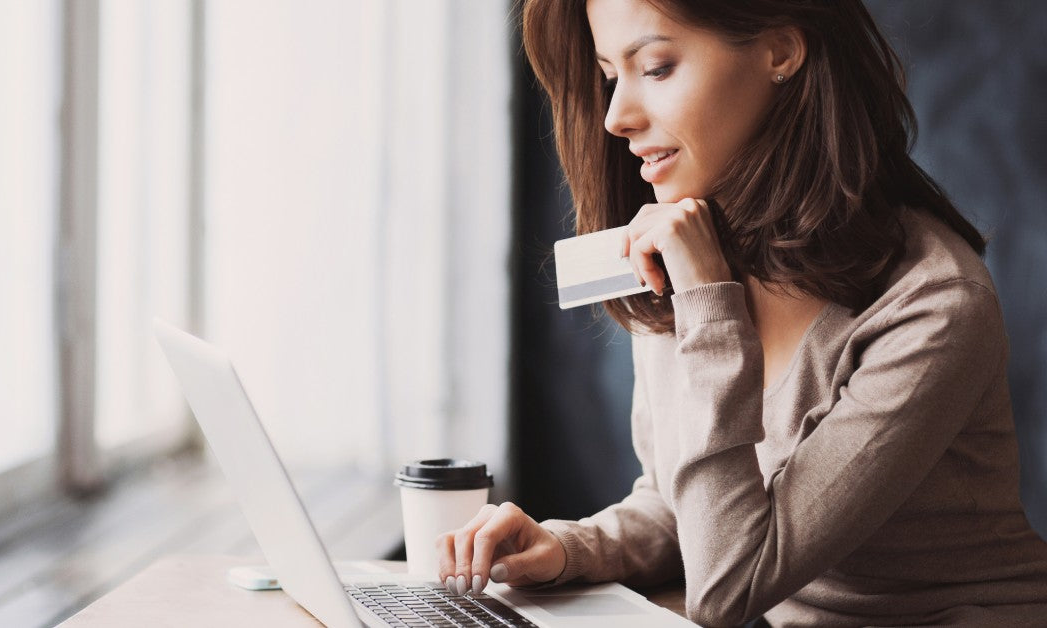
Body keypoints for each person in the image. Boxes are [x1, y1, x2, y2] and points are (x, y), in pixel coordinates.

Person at [435, 0, 1047, 626]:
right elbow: (692, 508)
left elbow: (728, 587)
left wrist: (708, 305)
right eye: (610, 76)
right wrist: (569, 547)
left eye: (657, 67)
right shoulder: (691, 247)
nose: (616, 117)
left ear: (780, 52)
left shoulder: (934, 306)